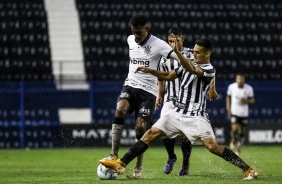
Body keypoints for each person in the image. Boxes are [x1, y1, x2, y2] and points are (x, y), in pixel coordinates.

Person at [100, 37, 259, 180]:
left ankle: (248, 169)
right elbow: (169, 76)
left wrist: (177, 53)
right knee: (150, 134)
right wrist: (150, 71)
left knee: (213, 147)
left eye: (198, 52)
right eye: (194, 51)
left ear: (207, 54)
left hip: (196, 115)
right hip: (176, 112)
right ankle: (121, 163)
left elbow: (193, 70)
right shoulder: (189, 63)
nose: (194, 54)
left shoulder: (209, 70)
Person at [104, 14, 182, 178]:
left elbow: (180, 59)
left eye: (139, 32)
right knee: (120, 108)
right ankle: (113, 155)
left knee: (140, 127)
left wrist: (190, 64)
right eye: (133, 32)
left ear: (147, 29)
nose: (136, 36)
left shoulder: (159, 45)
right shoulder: (130, 40)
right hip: (131, 85)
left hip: (148, 92)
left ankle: (138, 169)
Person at [157, 27, 218, 176]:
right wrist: (159, 95)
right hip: (171, 98)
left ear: (182, 39)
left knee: (184, 134)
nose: (173, 43)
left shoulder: (192, 53)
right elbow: (161, 77)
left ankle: (185, 164)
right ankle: (171, 156)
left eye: (175, 40)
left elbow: (207, 70)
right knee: (163, 129)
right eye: (170, 40)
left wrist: (212, 87)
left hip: (188, 100)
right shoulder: (164, 57)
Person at [226, 73, 255, 155]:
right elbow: (228, 97)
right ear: (236, 79)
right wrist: (228, 109)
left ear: (243, 80)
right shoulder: (231, 87)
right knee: (234, 129)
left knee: (241, 133)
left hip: (244, 113)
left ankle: (238, 149)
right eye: (238, 79)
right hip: (235, 112)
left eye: (241, 79)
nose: (240, 81)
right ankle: (233, 140)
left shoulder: (249, 88)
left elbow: (252, 100)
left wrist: (247, 101)